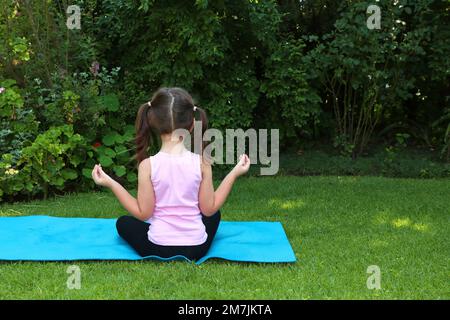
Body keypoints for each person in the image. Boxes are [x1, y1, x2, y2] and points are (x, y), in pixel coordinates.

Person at [91, 87, 250, 260]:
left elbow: (144, 213)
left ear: (154, 123)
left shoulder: (148, 165)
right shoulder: (202, 163)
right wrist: (234, 173)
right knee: (214, 215)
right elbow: (209, 209)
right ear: (190, 125)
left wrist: (111, 183)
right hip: (196, 248)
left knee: (123, 223)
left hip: (158, 247)